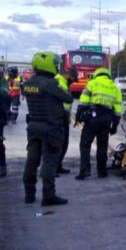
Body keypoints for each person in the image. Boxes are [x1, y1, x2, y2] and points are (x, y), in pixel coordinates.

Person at [22, 52, 73, 206]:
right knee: (49, 163)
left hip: (33, 127)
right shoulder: (50, 84)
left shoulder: (28, 83)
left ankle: (29, 194)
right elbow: (68, 98)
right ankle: (48, 196)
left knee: (32, 161)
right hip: (51, 128)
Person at [75, 67, 122, 180]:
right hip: (107, 119)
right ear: (108, 76)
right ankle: (102, 171)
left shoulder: (92, 83)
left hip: (92, 118)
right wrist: (114, 126)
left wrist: (78, 116)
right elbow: (118, 110)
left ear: (96, 75)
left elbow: (83, 102)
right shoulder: (115, 87)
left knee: (85, 144)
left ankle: (85, 171)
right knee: (102, 146)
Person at [55, 67, 78, 175]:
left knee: (64, 143)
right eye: (73, 78)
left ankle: (58, 166)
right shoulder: (58, 81)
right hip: (58, 116)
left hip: (64, 116)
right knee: (59, 143)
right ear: (68, 75)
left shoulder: (64, 83)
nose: (73, 81)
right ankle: (54, 168)